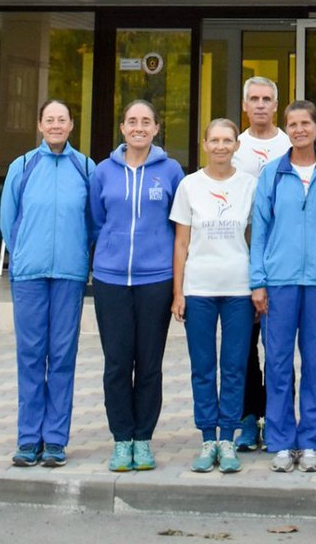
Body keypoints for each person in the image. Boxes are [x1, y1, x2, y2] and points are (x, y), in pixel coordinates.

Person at [250, 99, 316, 473]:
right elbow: (259, 231)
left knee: (315, 363)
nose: (299, 130)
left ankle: (310, 440)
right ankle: (281, 441)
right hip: (279, 282)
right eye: (292, 124)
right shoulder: (272, 175)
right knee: (277, 363)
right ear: (286, 129)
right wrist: (257, 281)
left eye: (305, 123)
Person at [0, 98, 96, 468]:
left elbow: (93, 221)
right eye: (49, 119)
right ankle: (28, 439)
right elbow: (9, 219)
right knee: (30, 355)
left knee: (62, 355)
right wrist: (24, 253)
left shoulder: (85, 167)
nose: (56, 125)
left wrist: (80, 253)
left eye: (62, 119)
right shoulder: (23, 166)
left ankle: (55, 439)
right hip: (30, 275)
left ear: (71, 125)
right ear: (40, 125)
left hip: (70, 274)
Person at [89, 99, 184, 472]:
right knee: (116, 363)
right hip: (111, 280)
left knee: (148, 364)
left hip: (156, 280)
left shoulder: (171, 171)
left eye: (146, 121)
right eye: (132, 121)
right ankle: (121, 439)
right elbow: (97, 221)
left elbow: (179, 227)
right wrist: (110, 251)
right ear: (122, 128)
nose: (139, 127)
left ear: (157, 128)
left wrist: (177, 283)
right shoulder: (103, 171)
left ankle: (142, 439)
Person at [170, 118, 259, 475]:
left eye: (228, 140)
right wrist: (178, 292)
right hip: (199, 289)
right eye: (215, 140)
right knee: (203, 367)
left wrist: (258, 286)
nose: (221, 146)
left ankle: (228, 438)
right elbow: (181, 243)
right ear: (205, 144)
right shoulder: (190, 185)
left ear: (237, 145)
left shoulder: (249, 185)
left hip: (239, 289)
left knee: (235, 367)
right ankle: (208, 437)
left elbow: (257, 238)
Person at [232, 75, 292, 452]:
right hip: (241, 260)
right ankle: (248, 418)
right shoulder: (233, 147)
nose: (259, 105)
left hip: (281, 262)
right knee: (244, 346)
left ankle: (277, 417)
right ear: (244, 105)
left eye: (266, 99)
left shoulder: (290, 146)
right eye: (253, 99)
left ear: (276, 105)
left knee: (278, 347)